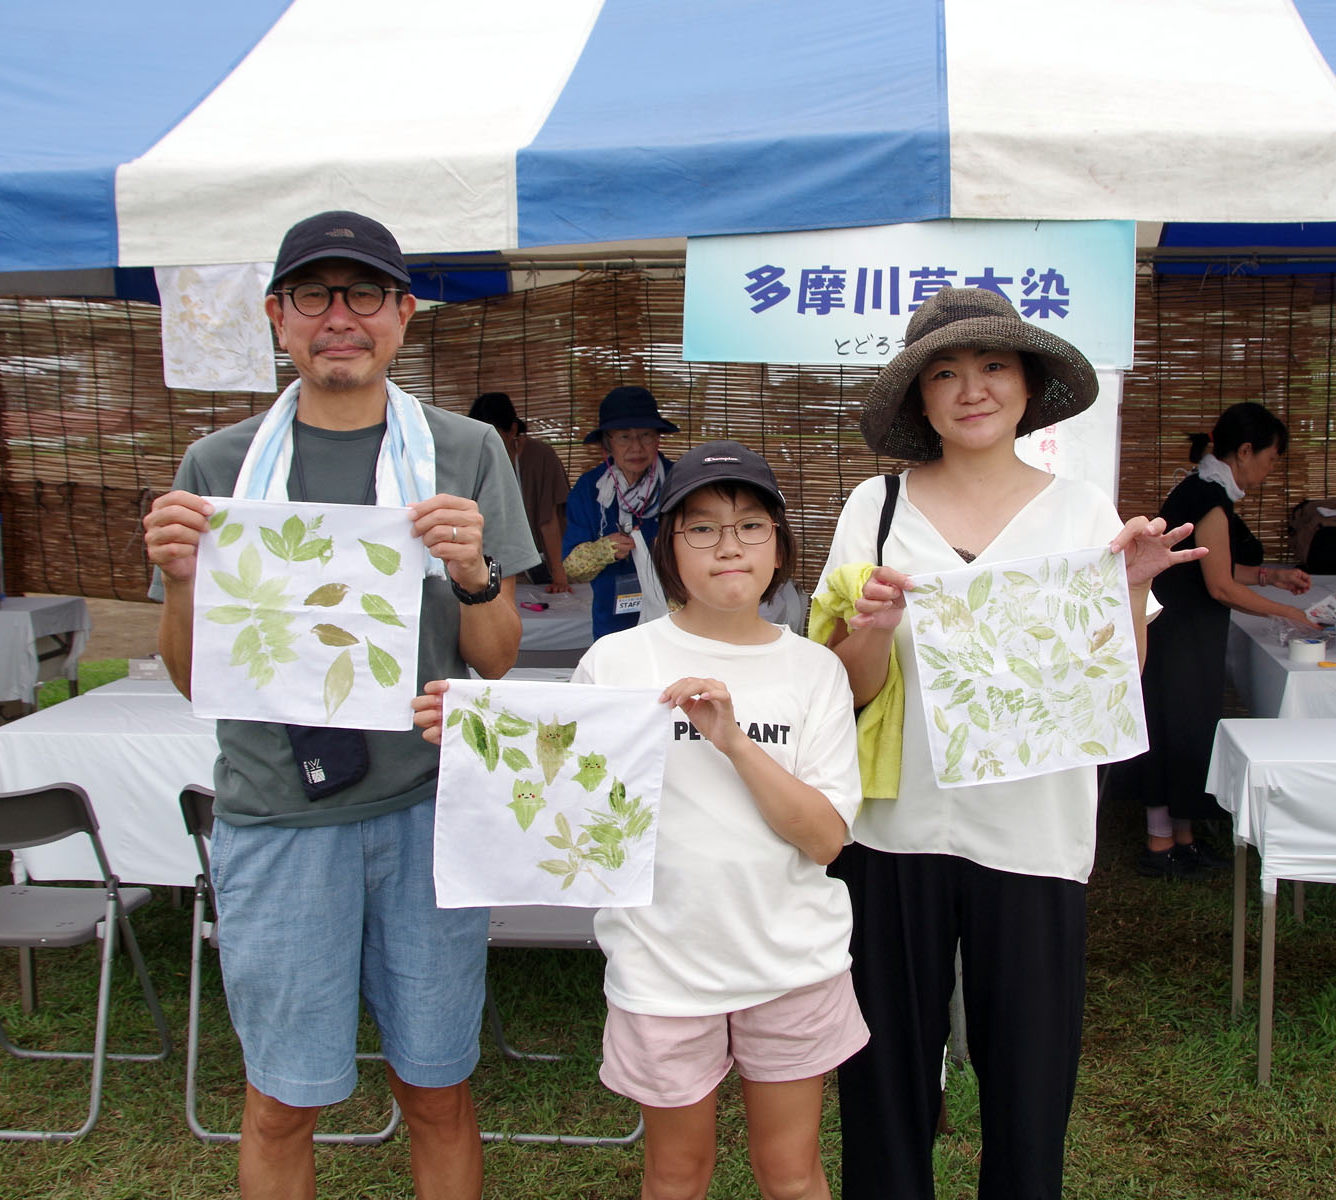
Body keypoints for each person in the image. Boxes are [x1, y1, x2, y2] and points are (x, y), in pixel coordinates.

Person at [143, 210, 537, 1200]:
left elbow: (494, 660)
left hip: (425, 812)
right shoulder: (219, 468)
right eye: (314, 295)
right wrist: (186, 580)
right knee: (283, 1099)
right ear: (278, 317)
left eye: (364, 294)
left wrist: (475, 571)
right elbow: (199, 681)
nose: (340, 317)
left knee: (437, 1087)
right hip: (278, 814)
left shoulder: (465, 452)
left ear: (404, 314)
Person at [814, 286, 1204, 1200]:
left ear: (1029, 384)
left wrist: (1129, 597)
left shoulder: (1078, 512)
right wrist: (869, 627)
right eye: (944, 374)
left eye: (992, 366)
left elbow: (1113, 686)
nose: (971, 389)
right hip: (895, 832)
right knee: (883, 1077)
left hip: (1033, 837)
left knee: (1030, 1087)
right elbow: (844, 691)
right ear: (919, 400)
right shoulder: (874, 509)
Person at [417, 440, 866, 1200]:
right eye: (702, 529)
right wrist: (474, 738)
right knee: (675, 1174)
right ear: (669, 549)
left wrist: (732, 741)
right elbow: (567, 807)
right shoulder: (619, 664)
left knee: (791, 1174)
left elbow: (826, 838)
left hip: (792, 963)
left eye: (751, 525)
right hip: (661, 966)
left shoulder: (813, 669)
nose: (730, 546)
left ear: (780, 545)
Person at [1106, 402, 1316, 879]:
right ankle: (1160, 846)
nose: (1270, 469)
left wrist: (1273, 578)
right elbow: (1221, 585)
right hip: (1179, 633)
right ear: (1245, 451)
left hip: (1188, 629)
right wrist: (1288, 612)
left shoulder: (1205, 491)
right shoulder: (1209, 500)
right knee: (1173, 728)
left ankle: (1183, 839)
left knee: (1189, 727)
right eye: (1270, 457)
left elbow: (1213, 567)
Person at [561, 385, 678, 640]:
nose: (636, 447)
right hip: (613, 629)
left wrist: (675, 548)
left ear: (657, 438)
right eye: (624, 437)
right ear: (607, 443)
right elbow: (571, 567)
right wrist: (603, 550)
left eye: (646, 435)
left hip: (677, 624)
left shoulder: (679, 482)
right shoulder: (588, 490)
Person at [466, 392, 571, 593]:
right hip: (497, 563)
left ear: (512, 430)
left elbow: (549, 521)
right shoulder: (475, 460)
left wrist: (559, 575)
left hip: (543, 561)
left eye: (494, 438)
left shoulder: (541, 457)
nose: (487, 447)